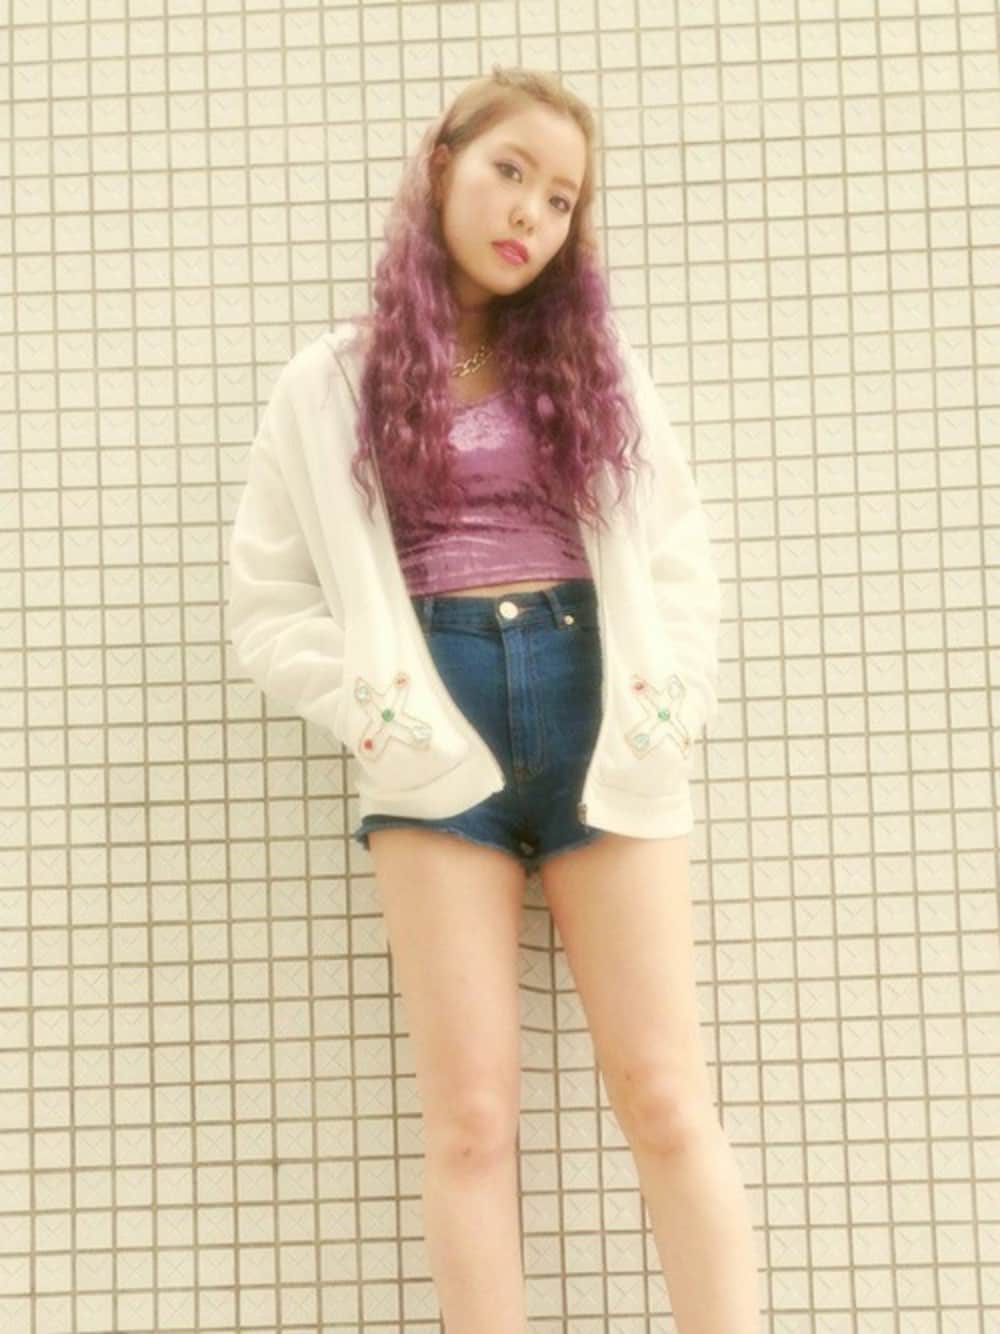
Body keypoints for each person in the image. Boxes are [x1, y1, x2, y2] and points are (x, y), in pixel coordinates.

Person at [227, 65, 762, 1334]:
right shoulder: (327, 383)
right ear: (443, 166)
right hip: (431, 728)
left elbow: (678, 561)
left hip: (600, 717)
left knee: (664, 1096)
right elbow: (268, 602)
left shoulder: (597, 367)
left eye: (561, 197)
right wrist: (373, 709)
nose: (531, 210)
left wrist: (670, 705)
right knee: (469, 1120)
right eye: (509, 170)